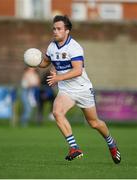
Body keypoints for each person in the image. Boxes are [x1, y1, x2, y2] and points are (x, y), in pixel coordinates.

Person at [37, 15, 121, 163]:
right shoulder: (51, 46)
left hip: (82, 89)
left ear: (67, 31)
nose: (55, 31)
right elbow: (45, 62)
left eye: (59, 29)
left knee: (94, 123)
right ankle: (74, 148)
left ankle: (111, 143)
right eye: (54, 29)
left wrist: (58, 78)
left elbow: (78, 71)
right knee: (57, 112)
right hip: (66, 91)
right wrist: (35, 60)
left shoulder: (74, 47)